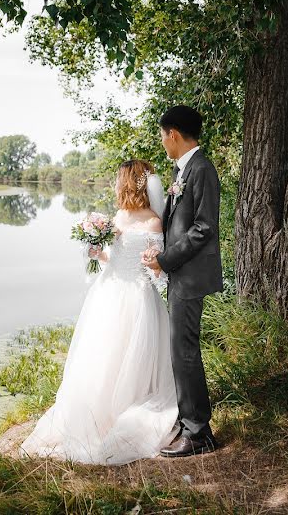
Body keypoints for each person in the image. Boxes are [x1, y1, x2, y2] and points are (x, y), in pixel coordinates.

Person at [19, 159, 179, 465]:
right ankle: (97, 412)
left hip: (137, 295)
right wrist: (97, 252)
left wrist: (153, 261)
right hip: (108, 292)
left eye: (119, 180)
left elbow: (159, 273)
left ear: (129, 183)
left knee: (133, 354)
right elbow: (113, 259)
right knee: (103, 354)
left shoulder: (154, 222)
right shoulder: (118, 216)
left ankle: (128, 408)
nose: (116, 184)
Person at [142, 104, 224, 457]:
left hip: (190, 275)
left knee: (184, 351)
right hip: (181, 273)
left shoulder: (202, 169)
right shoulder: (185, 169)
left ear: (173, 134)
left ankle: (199, 433)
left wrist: (166, 259)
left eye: (162, 136)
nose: (162, 143)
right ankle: (188, 420)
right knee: (180, 351)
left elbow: (204, 228)